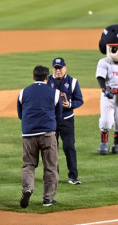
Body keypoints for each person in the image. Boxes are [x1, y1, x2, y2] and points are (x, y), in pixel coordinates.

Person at [17, 65, 63, 208]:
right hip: (48, 134)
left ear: (33, 77)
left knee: (28, 165)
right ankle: (48, 199)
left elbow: (20, 114)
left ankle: (28, 189)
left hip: (28, 134)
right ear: (47, 78)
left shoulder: (23, 92)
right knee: (50, 166)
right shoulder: (55, 92)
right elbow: (59, 115)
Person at [47, 57, 84, 185]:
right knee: (52, 149)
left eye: (60, 68)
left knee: (69, 147)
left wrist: (69, 104)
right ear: (53, 69)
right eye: (56, 68)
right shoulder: (47, 81)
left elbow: (80, 100)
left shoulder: (73, 82)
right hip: (51, 120)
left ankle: (73, 177)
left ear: (65, 68)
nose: (58, 71)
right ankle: (54, 176)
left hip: (67, 120)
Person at [96, 24, 118, 155]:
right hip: (108, 95)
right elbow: (100, 77)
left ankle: (116, 143)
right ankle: (104, 141)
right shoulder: (104, 62)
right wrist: (104, 89)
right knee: (106, 120)